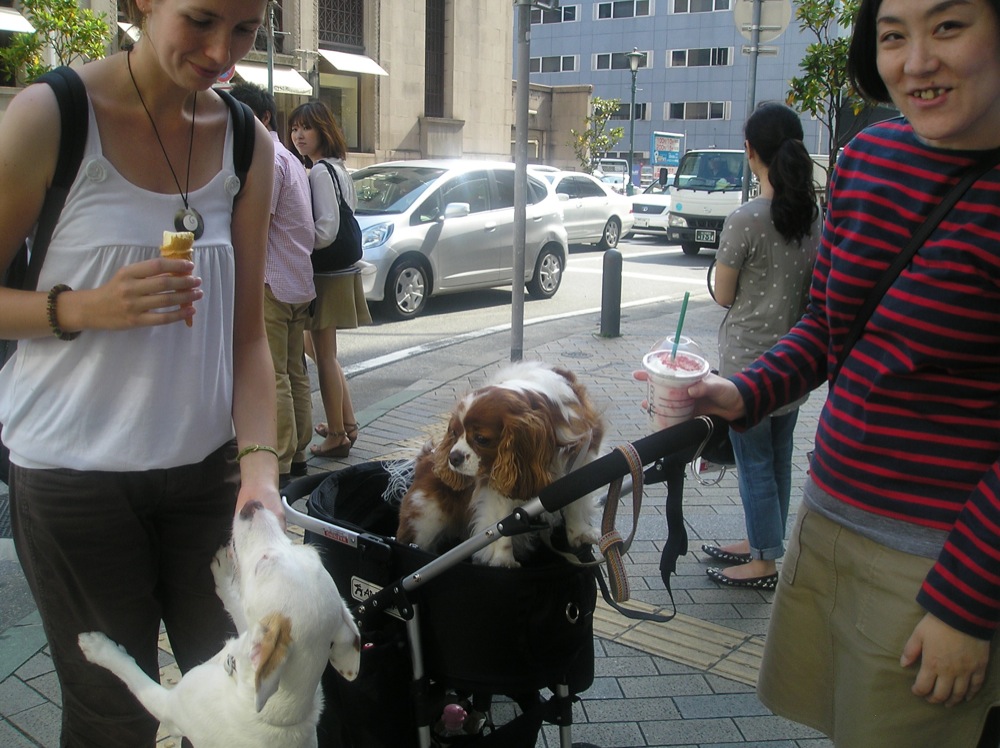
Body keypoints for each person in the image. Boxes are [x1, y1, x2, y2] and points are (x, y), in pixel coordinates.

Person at [689, 0, 1000, 744]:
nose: (916, 61)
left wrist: (967, 602)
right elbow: (829, 328)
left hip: (944, 562)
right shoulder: (868, 161)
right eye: (894, 35)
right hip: (830, 523)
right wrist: (744, 391)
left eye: (948, 26)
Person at [0, 0, 278, 743]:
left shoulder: (249, 144)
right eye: (202, 18)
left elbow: (248, 339)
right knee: (110, 715)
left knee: (239, 706)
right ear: (144, 2)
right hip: (71, 482)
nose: (223, 51)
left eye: (247, 28)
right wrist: (84, 308)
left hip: (206, 481)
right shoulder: (51, 118)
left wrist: (261, 476)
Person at [700, 102, 819, 589]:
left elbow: (724, 294)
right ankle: (763, 542)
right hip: (794, 365)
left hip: (747, 369)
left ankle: (764, 561)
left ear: (751, 151)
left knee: (754, 464)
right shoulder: (813, 217)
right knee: (778, 458)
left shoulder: (746, 219)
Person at [229, 82, 316, 487]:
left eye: (239, 114)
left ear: (261, 118)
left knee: (276, 373)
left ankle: (279, 461)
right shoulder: (293, 160)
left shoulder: (268, 159)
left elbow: (255, 225)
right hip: (298, 280)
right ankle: (298, 452)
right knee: (295, 371)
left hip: (273, 282)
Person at [288, 100, 371, 459]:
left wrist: (297, 244)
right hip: (338, 272)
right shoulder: (337, 168)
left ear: (323, 129)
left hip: (326, 274)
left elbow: (326, 230)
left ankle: (337, 433)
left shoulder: (320, 172)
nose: (298, 135)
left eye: (306, 128)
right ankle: (346, 423)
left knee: (322, 354)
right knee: (319, 350)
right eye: (294, 129)